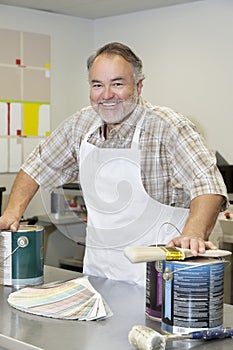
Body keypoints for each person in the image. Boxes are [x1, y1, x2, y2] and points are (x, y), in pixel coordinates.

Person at [0, 42, 228, 285]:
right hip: (99, 272)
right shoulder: (81, 124)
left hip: (161, 277)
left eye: (117, 84)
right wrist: (12, 214)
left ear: (138, 86)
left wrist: (193, 233)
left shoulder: (169, 126)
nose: (106, 95)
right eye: (98, 85)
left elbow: (208, 186)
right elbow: (37, 166)